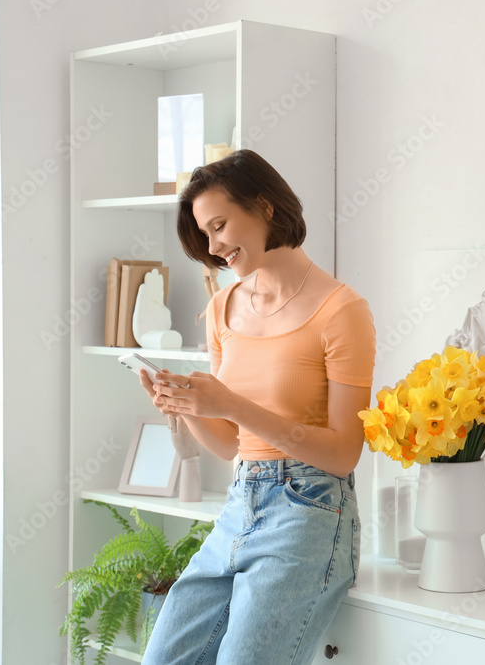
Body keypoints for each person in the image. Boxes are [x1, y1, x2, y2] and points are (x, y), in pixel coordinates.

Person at [139, 149, 376, 665]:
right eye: (204, 234)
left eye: (219, 225)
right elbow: (229, 443)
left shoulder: (342, 311)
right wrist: (187, 405)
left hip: (309, 512)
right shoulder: (222, 307)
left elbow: (343, 453)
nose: (213, 245)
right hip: (240, 504)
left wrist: (230, 403)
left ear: (265, 207)